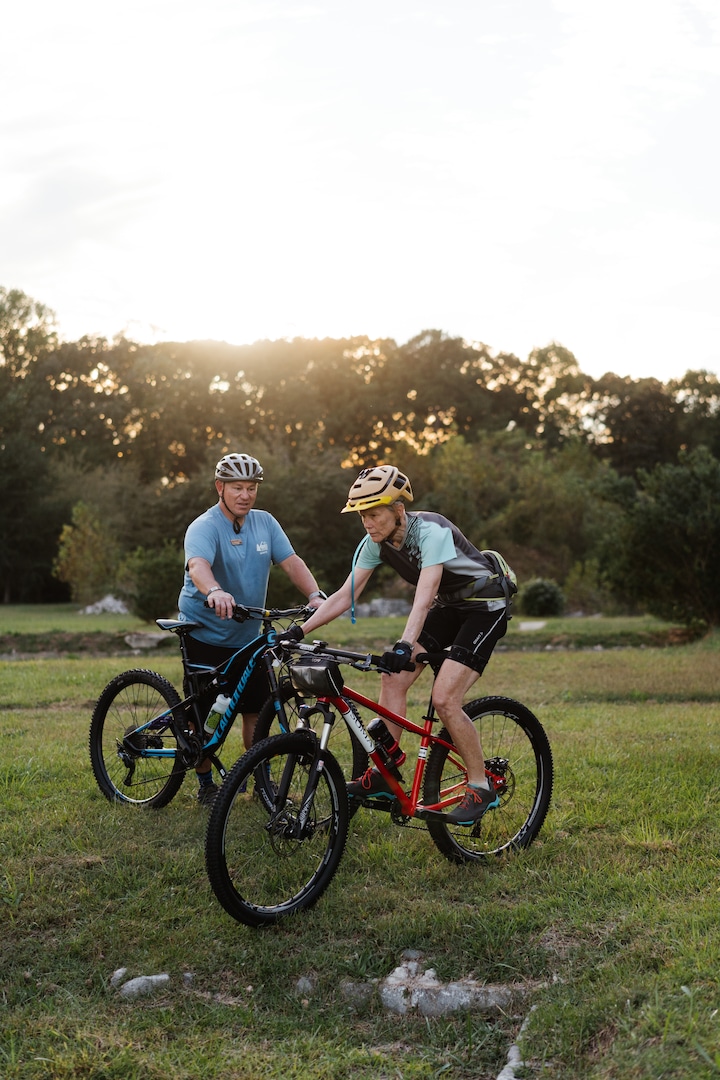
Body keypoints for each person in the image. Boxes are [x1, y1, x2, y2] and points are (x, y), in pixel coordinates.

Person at [283, 464, 515, 825]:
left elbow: (424, 597)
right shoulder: (375, 543)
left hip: (485, 607)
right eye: (362, 516)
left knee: (444, 698)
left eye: (374, 514)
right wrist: (299, 631)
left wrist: (406, 644)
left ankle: (481, 785)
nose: (367, 523)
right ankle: (386, 774)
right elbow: (345, 596)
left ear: (398, 510)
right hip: (450, 607)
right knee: (393, 677)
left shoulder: (431, 531)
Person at [178, 452, 326, 805]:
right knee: (204, 718)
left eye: (251, 488)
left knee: (256, 713)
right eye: (237, 488)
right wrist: (214, 590)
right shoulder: (204, 526)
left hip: (248, 636)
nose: (245, 495)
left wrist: (315, 595)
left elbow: (291, 562)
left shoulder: (265, 523)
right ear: (220, 488)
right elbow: (197, 565)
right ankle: (205, 786)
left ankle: (262, 784)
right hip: (204, 634)